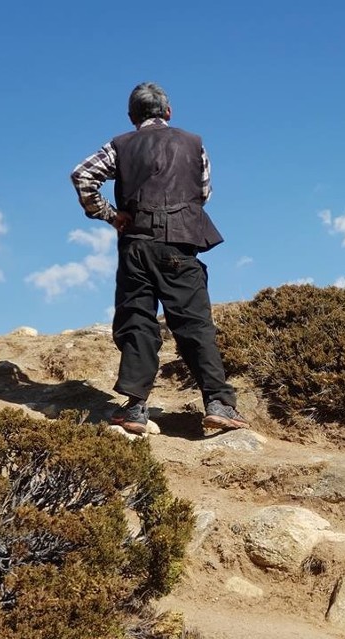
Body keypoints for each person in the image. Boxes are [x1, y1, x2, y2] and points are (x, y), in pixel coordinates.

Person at [70, 82, 248, 435]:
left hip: (136, 243)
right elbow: (204, 193)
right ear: (168, 112)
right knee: (195, 324)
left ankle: (135, 409)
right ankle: (219, 404)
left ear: (133, 117)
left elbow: (83, 175)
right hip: (180, 243)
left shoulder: (120, 145)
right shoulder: (194, 143)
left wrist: (110, 214)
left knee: (136, 321)